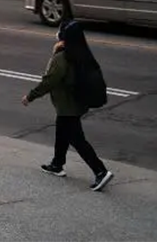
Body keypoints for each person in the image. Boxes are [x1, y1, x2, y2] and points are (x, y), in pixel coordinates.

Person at [22, 19, 114, 191]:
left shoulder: (62, 57)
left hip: (68, 106)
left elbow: (49, 81)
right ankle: (57, 164)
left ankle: (100, 171)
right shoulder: (81, 53)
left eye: (60, 32)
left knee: (77, 139)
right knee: (62, 131)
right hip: (77, 104)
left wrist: (30, 96)